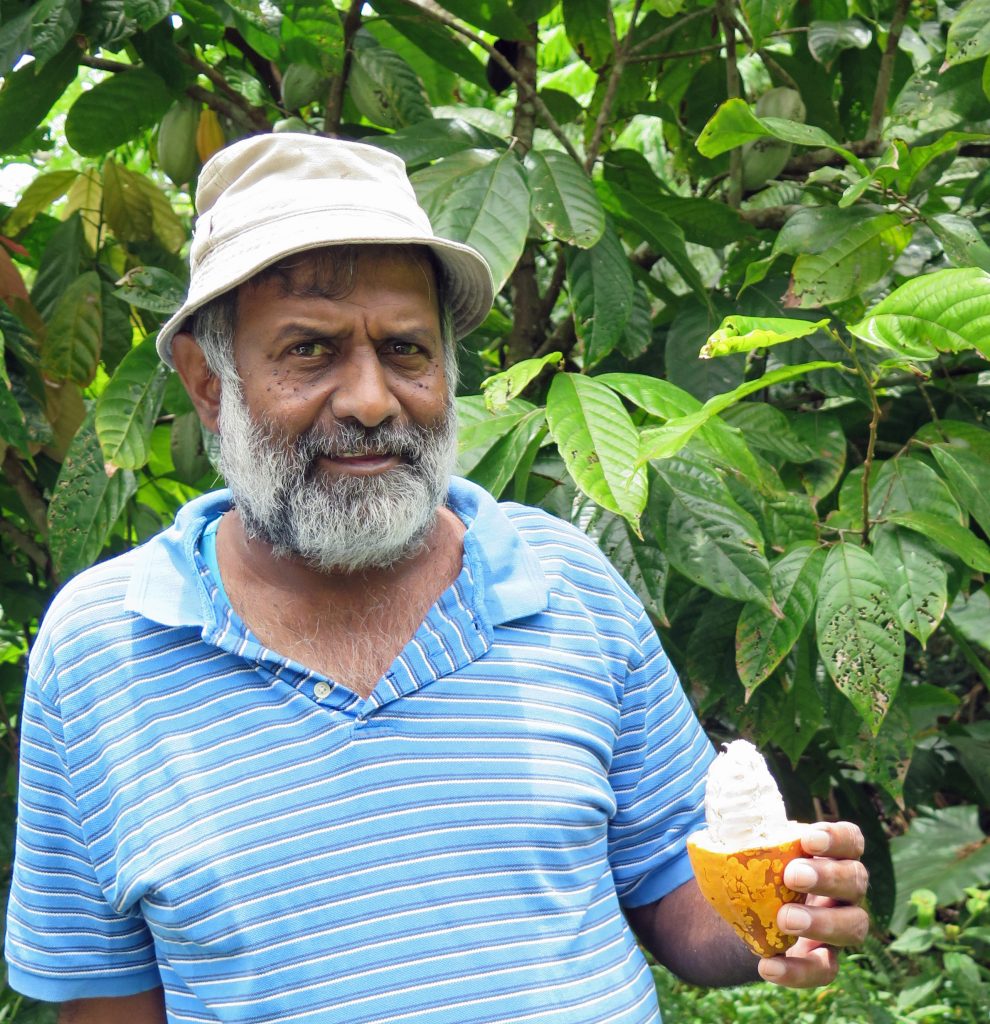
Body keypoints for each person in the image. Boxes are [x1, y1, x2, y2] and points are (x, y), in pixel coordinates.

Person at [5, 134, 869, 1024]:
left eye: (407, 350)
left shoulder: (563, 577)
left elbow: (669, 887)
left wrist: (782, 908)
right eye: (309, 351)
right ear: (208, 384)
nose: (372, 400)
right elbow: (107, 1000)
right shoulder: (103, 647)